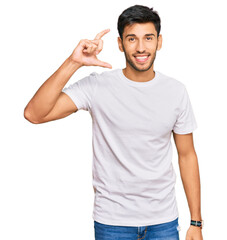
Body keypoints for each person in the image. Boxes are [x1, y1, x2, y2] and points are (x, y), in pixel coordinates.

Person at [24, 4, 203, 240]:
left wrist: (196, 222)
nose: (141, 47)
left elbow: (187, 155)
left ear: (159, 42)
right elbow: (34, 114)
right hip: (112, 222)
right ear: (120, 44)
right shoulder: (97, 86)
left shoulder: (176, 91)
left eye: (148, 38)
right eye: (132, 39)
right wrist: (74, 62)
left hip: (164, 222)